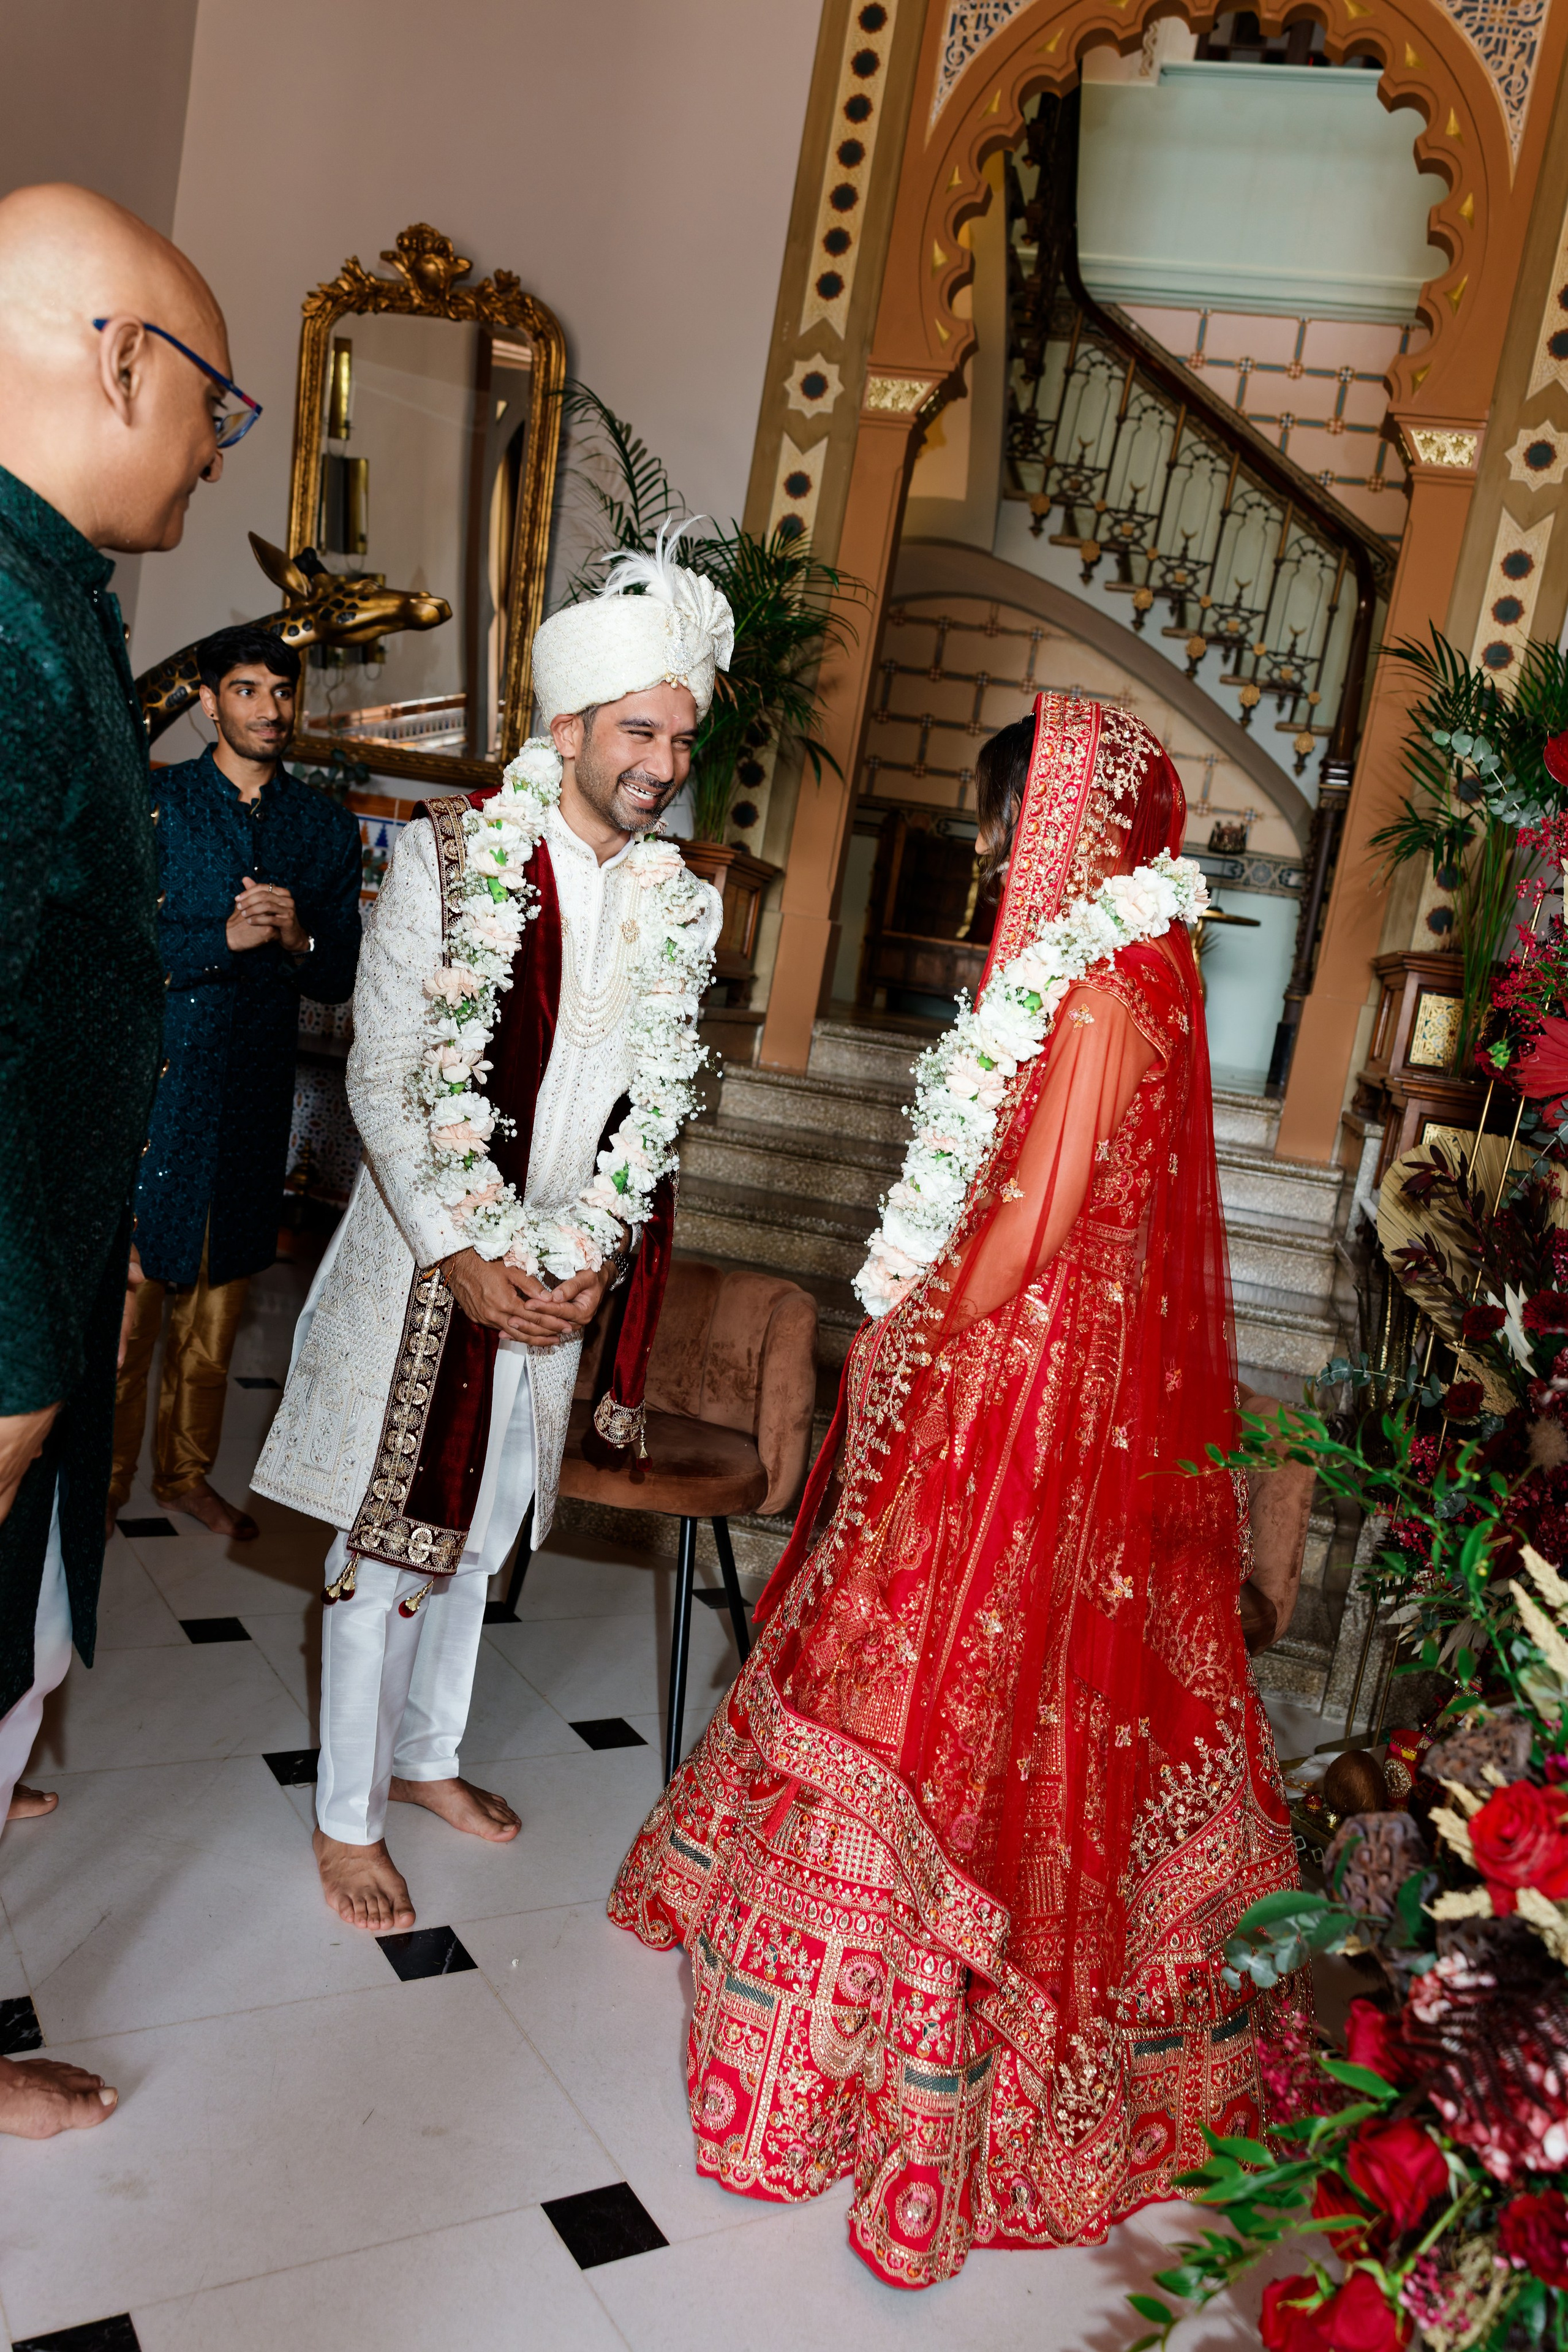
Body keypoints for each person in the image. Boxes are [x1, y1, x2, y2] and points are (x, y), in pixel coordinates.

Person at [610, 693, 1301, 2287]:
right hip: (1008, 1384)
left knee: (947, 1677)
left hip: (1024, 1402)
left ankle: (903, 2056)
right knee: (914, 1658)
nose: (992, 855)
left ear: (1067, 820)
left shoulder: (1111, 998)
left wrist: (911, 1315)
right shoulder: (1095, 976)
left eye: (1006, 821)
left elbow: (1031, 1225)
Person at [253, 527, 731, 1934]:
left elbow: (655, 1107)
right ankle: (347, 1818)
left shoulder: (676, 901)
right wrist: (468, 1254)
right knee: (394, 1538)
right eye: (638, 728)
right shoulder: (453, 858)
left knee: (488, 1525)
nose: (661, 758)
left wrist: (586, 1251)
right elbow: (386, 1069)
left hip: (562, 1268)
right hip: (426, 1267)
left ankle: (427, 1759)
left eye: (681, 734)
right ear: (568, 725)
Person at [0, 183, 245, 2139]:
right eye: (213, 403)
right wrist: (12, 1352)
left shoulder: (53, 595)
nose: (209, 444)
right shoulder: (4, 620)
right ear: (116, 360)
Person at [110, 626, 363, 1541]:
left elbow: (339, 976)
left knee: (219, 1309)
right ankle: (97, 1491)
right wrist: (224, 940)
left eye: (282, 691)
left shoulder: (322, 828)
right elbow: (114, 948)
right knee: (130, 1307)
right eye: (247, 691)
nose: (271, 709)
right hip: (158, 1087)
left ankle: (184, 1476)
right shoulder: (156, 803)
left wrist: (297, 939)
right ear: (209, 701)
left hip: (254, 1095)